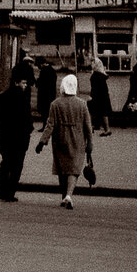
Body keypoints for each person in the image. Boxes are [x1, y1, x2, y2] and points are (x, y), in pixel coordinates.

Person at [35, 74, 93, 209]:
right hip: (78, 139)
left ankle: (63, 195)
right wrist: (90, 142)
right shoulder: (82, 104)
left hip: (60, 139)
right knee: (73, 168)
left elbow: (50, 125)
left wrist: (42, 142)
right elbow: (87, 126)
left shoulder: (55, 104)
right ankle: (69, 195)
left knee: (62, 168)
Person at [0, 65, 34, 202]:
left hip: (5, 136)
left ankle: (2, 191)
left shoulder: (1, 97)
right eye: (23, 83)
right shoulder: (23, 99)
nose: (25, 85)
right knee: (17, 165)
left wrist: (1, 128)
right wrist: (29, 130)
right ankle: (10, 192)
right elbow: (27, 119)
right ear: (16, 82)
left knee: (5, 164)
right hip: (20, 138)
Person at [88, 57, 113, 136]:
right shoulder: (102, 74)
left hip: (97, 96)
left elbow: (94, 88)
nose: (91, 64)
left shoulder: (95, 75)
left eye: (93, 63)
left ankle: (91, 127)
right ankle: (107, 129)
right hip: (104, 96)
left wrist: (91, 96)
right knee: (104, 113)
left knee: (91, 110)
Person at [35, 58, 57, 127]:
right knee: (48, 111)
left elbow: (40, 83)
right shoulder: (52, 70)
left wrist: (37, 81)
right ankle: (47, 125)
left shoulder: (43, 71)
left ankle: (45, 125)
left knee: (44, 111)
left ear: (41, 64)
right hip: (51, 94)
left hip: (44, 94)